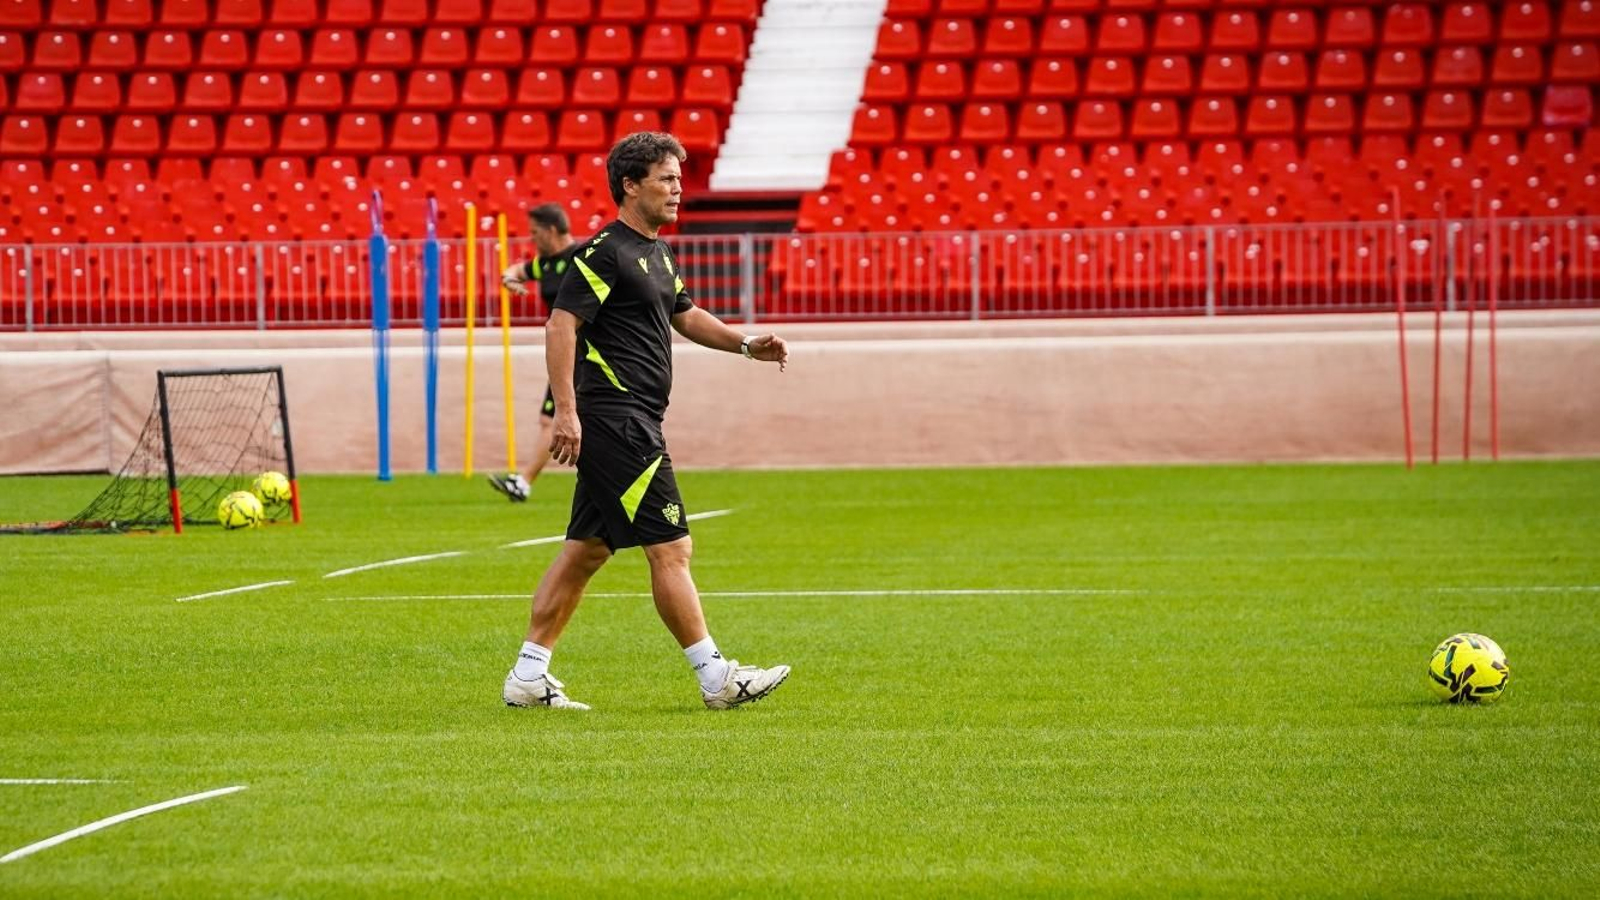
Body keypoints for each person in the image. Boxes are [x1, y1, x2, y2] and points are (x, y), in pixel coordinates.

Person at [502, 132, 792, 712]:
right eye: (666, 179)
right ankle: (716, 677)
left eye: (679, 180)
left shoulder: (656, 252)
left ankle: (528, 675)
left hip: (634, 418)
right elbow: (560, 325)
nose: (677, 190)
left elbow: (686, 315)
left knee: (586, 550)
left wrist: (744, 345)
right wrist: (567, 412)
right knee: (672, 547)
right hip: (618, 419)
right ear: (631, 185)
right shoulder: (603, 252)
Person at [488, 203, 578, 503]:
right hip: (564, 353)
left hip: (583, 352)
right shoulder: (546, 264)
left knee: (553, 419)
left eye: (535, 233)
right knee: (550, 419)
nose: (532, 239)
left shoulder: (580, 258)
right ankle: (523, 482)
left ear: (551, 230)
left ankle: (524, 483)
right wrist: (510, 279)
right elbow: (517, 270)